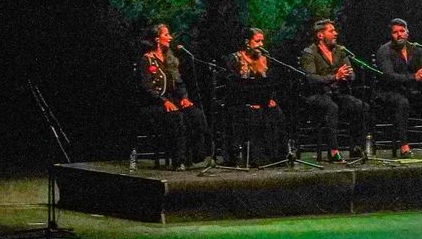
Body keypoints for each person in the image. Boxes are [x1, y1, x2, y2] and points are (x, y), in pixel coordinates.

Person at [373, 19, 422, 157]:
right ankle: (403, 146)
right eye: (395, 32)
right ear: (391, 35)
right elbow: (389, 76)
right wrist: (414, 77)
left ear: (407, 33)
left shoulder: (416, 49)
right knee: (402, 103)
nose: (399, 35)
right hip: (389, 92)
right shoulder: (384, 50)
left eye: (402, 31)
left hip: (411, 91)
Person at [138, 23, 210, 168]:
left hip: (174, 100)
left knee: (196, 114)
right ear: (157, 39)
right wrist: (163, 101)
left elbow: (179, 83)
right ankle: (179, 160)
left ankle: (197, 155)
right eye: (166, 35)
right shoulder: (146, 59)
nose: (170, 38)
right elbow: (146, 87)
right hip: (154, 103)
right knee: (177, 117)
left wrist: (184, 98)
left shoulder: (170, 58)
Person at [299, 19, 368, 161]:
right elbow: (311, 79)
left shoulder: (340, 51)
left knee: (361, 106)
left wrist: (346, 76)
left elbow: (352, 75)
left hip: (337, 94)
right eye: (331, 31)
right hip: (316, 95)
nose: (335, 33)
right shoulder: (309, 53)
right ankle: (333, 150)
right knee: (332, 107)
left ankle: (356, 147)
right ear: (320, 35)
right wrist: (335, 76)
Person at [224, 28, 287, 165]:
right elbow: (233, 86)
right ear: (247, 42)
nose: (261, 44)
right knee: (254, 113)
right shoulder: (234, 59)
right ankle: (255, 158)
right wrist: (249, 101)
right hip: (240, 102)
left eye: (262, 41)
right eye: (257, 41)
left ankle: (276, 156)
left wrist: (269, 98)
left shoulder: (265, 59)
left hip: (261, 101)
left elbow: (268, 84)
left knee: (278, 113)